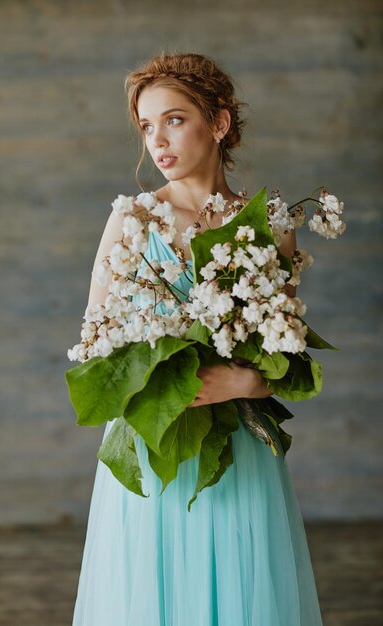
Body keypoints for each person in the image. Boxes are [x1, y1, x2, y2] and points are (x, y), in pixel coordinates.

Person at [72, 53, 323, 626]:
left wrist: (247, 378)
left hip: (235, 439)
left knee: (241, 588)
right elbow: (95, 339)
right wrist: (156, 375)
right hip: (152, 434)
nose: (157, 141)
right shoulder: (132, 220)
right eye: (146, 126)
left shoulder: (268, 227)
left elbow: (284, 351)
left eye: (174, 119)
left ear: (220, 123)